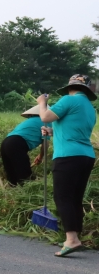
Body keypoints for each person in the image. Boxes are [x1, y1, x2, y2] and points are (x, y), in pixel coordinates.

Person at [37, 74, 97, 257]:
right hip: (86, 156)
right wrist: (53, 131)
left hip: (67, 156)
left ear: (70, 87)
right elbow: (74, 130)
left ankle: (71, 239)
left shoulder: (68, 100)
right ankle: (75, 236)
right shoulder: (89, 108)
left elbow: (45, 115)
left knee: (62, 197)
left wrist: (42, 102)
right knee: (74, 198)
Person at [0, 105, 45, 186]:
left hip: (6, 142)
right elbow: (45, 143)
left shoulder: (29, 121)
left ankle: (12, 194)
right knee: (25, 177)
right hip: (17, 144)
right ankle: (26, 195)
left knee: (12, 175)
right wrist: (41, 157)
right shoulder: (46, 122)